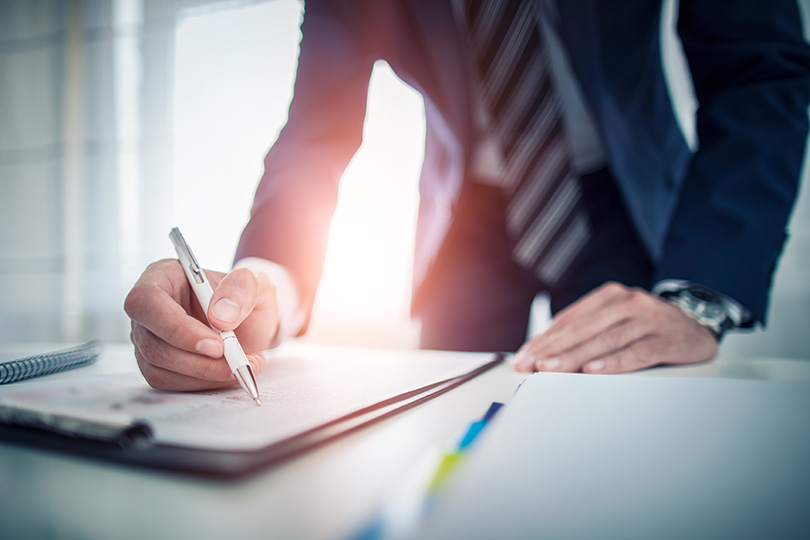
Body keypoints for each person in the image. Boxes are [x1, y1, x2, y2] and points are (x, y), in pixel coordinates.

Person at [125, 0, 810, 391]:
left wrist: (696, 295)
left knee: (631, 410)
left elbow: (756, 73)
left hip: (626, 203)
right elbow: (317, 133)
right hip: (467, 221)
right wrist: (264, 288)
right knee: (445, 420)